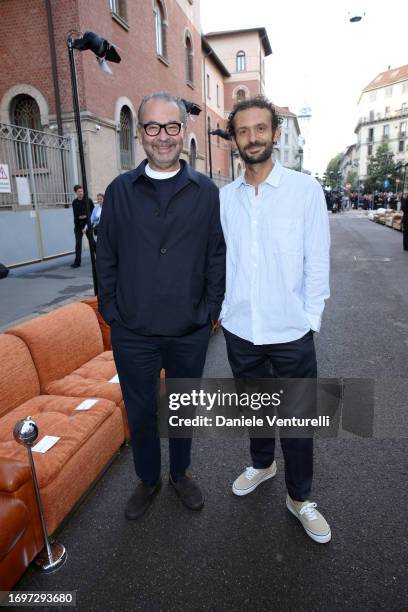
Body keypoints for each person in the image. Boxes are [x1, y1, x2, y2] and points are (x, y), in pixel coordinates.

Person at [96, 92, 226, 519]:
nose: (163, 136)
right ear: (140, 134)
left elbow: (215, 255)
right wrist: (111, 310)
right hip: (132, 330)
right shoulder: (119, 191)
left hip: (189, 328)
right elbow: (107, 256)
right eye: (153, 127)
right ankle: (148, 478)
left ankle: (181, 473)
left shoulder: (206, 192)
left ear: (184, 132)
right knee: (141, 409)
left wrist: (209, 310)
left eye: (172, 127)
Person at [220, 95, 331, 544]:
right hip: (241, 328)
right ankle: (263, 464)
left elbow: (317, 262)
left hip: (291, 330)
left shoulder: (305, 191)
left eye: (260, 129)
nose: (252, 138)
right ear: (234, 139)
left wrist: (310, 320)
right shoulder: (226, 198)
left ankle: (300, 498)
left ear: (275, 134)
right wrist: (224, 312)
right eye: (243, 131)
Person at [71, 184, 94, 268]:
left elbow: (93, 212)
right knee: (78, 243)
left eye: (81, 191)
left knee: (92, 242)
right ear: (76, 193)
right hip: (78, 226)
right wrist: (77, 225)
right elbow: (75, 215)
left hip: (87, 224)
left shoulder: (88, 200)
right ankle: (77, 262)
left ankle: (100, 258)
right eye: (79, 191)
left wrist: (87, 217)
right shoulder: (74, 202)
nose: (81, 193)